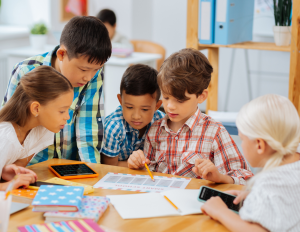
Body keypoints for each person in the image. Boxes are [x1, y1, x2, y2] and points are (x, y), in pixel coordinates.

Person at [128, 48, 253, 185]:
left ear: (201, 96)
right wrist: (138, 165)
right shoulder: (155, 130)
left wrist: (220, 177)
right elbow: (148, 174)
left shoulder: (214, 132)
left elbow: (246, 179)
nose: (170, 106)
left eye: (180, 100)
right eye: (166, 97)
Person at [2, 16, 111, 165]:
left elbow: (88, 130)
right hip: (30, 165)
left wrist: (91, 169)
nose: (88, 77)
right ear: (61, 54)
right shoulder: (25, 71)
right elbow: (12, 127)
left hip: (70, 166)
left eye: (96, 69)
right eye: (83, 69)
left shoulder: (93, 76)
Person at [201, 94, 300, 232]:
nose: (241, 143)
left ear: (259, 145)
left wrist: (220, 212)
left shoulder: (266, 183)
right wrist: (255, 196)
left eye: (242, 139)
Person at [0, 66, 73, 189]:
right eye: (61, 111)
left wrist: (6, 173)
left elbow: (19, 166)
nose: (67, 117)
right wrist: (10, 185)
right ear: (36, 108)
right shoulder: (5, 137)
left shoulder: (43, 130)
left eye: (68, 110)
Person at [101, 64, 164, 166]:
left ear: (157, 106)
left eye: (144, 109)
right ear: (121, 101)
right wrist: (131, 165)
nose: (136, 116)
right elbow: (109, 167)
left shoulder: (161, 122)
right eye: (129, 107)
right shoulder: (113, 127)